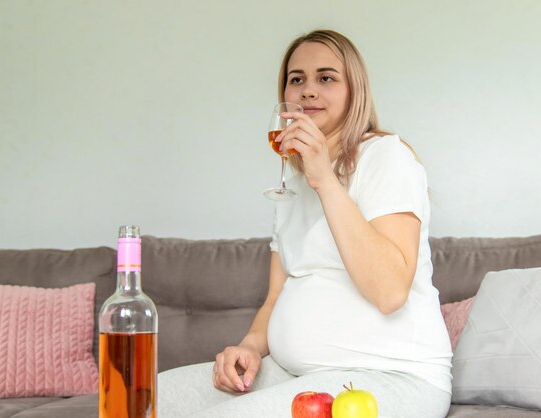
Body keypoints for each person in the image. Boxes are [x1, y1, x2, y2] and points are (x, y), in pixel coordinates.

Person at [158, 29, 453, 418]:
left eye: (326, 78)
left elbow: (390, 292)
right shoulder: (292, 183)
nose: (308, 91)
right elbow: (276, 296)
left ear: (355, 91)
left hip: (391, 376)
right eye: (297, 79)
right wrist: (248, 346)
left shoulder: (386, 157)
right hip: (296, 375)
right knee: (144, 396)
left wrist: (325, 180)